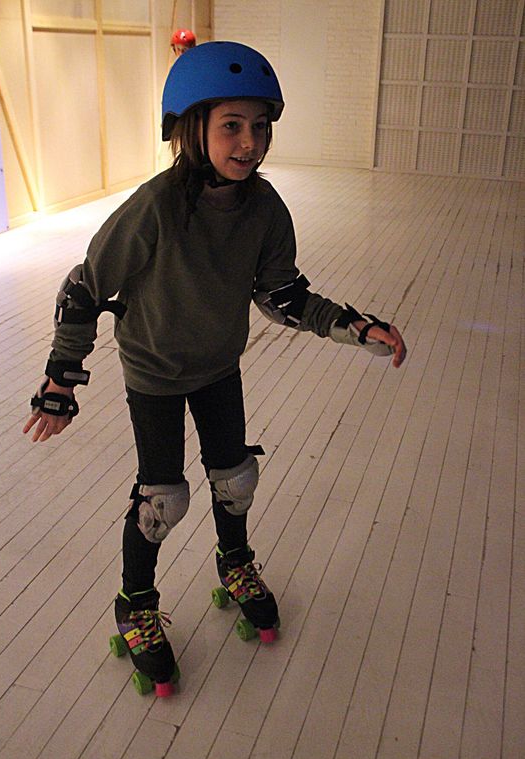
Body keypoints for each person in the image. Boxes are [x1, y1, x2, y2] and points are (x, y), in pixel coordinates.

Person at [23, 41, 406, 696]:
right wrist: (62, 379)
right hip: (155, 373)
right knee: (162, 500)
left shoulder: (264, 209)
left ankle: (235, 563)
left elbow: (281, 295)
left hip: (219, 365)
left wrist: (353, 326)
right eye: (232, 125)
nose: (250, 142)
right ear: (191, 129)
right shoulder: (154, 209)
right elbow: (83, 289)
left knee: (236, 480)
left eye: (260, 126)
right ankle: (136, 604)